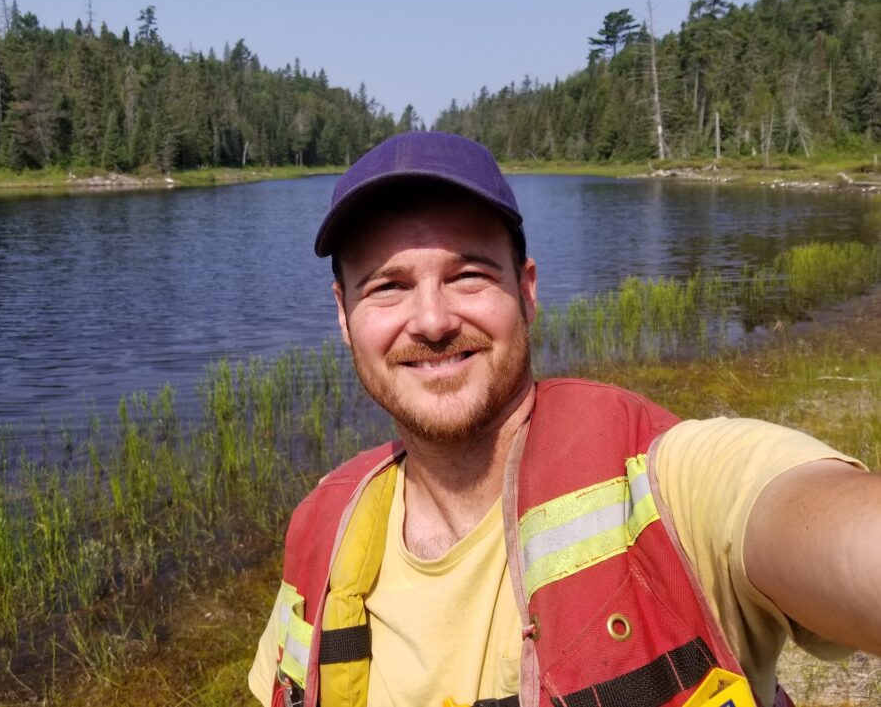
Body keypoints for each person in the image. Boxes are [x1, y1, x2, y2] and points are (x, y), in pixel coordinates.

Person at [248, 131, 881, 707]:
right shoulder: (321, 530)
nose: (433, 321)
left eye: (469, 276)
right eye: (387, 287)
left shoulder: (670, 483)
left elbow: (823, 524)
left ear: (526, 290)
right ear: (343, 314)